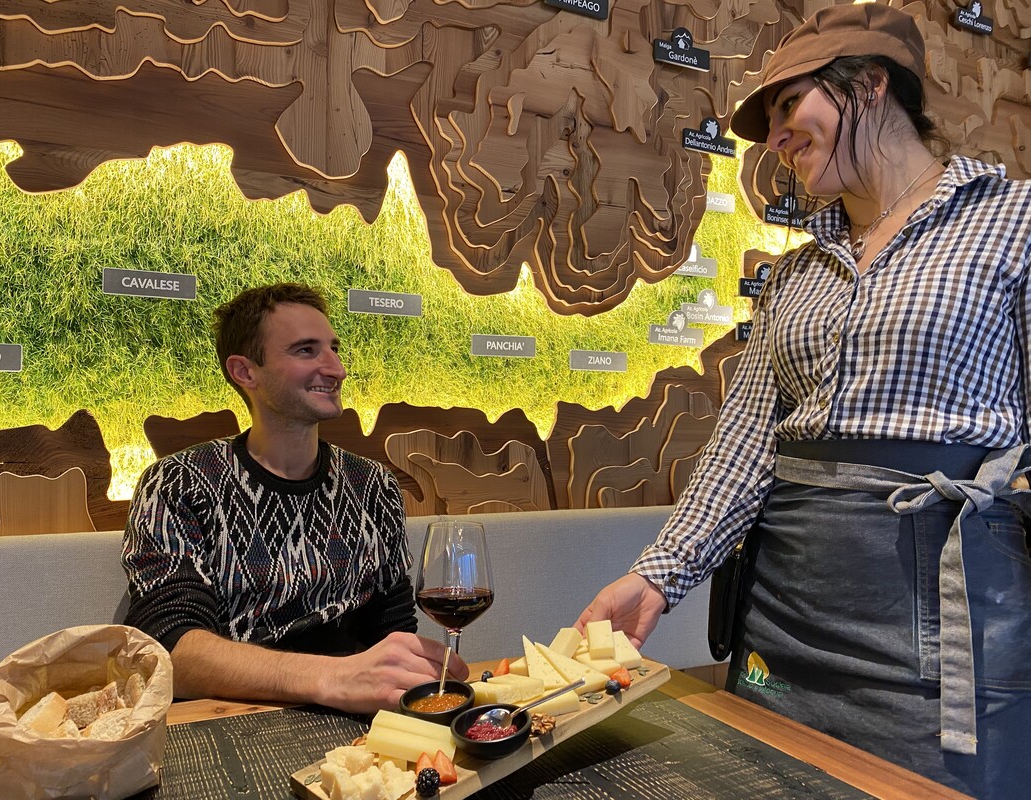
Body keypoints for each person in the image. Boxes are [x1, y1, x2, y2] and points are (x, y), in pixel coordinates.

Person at [576, 4, 1031, 797]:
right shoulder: (795, 273)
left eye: (791, 105)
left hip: (948, 634)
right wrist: (655, 578)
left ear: (872, 84)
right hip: (782, 620)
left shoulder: (1014, 223)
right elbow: (744, 445)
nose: (777, 139)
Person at [122, 283, 467, 713]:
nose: (337, 369)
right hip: (231, 718)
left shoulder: (373, 485)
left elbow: (390, 629)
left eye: (334, 349)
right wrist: (333, 677)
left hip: (358, 720)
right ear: (245, 372)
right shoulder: (179, 483)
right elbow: (169, 649)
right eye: (306, 350)